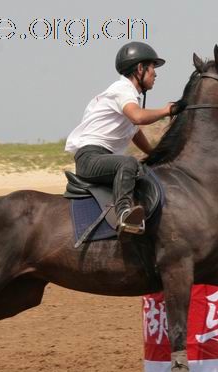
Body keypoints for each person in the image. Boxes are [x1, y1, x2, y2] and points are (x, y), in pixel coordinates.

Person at [65, 42, 179, 236]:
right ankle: (124, 214)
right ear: (140, 69)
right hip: (90, 158)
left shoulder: (129, 96)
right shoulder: (122, 89)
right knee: (128, 163)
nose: (155, 74)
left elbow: (135, 132)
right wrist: (166, 110)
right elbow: (138, 117)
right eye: (152, 67)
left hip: (100, 158)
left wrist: (154, 153)